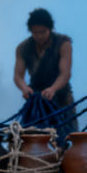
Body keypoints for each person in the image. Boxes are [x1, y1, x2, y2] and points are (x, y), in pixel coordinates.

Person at [13, 8, 78, 145]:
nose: (39, 36)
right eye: (35, 32)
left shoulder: (63, 44)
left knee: (66, 141)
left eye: (42, 32)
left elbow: (65, 73)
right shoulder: (23, 48)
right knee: (32, 143)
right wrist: (24, 88)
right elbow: (18, 76)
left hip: (61, 100)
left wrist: (53, 89)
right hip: (36, 102)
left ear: (50, 28)